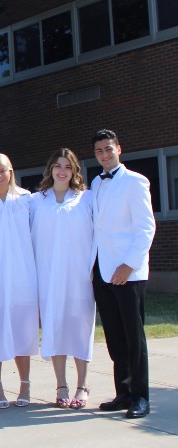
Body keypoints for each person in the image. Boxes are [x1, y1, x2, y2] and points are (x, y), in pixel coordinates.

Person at [90, 129, 155, 419]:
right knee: (115, 337)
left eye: (108, 149)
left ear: (119, 149)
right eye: (99, 151)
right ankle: (123, 392)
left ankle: (141, 396)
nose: (104, 154)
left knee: (134, 337)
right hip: (103, 272)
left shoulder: (136, 182)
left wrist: (128, 265)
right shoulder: (96, 183)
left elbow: (146, 227)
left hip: (128, 272)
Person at [31, 148, 95, 409]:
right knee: (55, 328)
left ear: (74, 171)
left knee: (80, 329)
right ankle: (61, 385)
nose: (62, 170)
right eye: (57, 165)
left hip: (80, 276)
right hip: (48, 276)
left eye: (67, 166)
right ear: (50, 169)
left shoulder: (87, 199)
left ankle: (82, 385)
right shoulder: (36, 201)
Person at [0, 153, 39, 409]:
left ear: (11, 172)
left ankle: (25, 385)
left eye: (3, 171)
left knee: (23, 332)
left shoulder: (27, 200)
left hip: (22, 275)